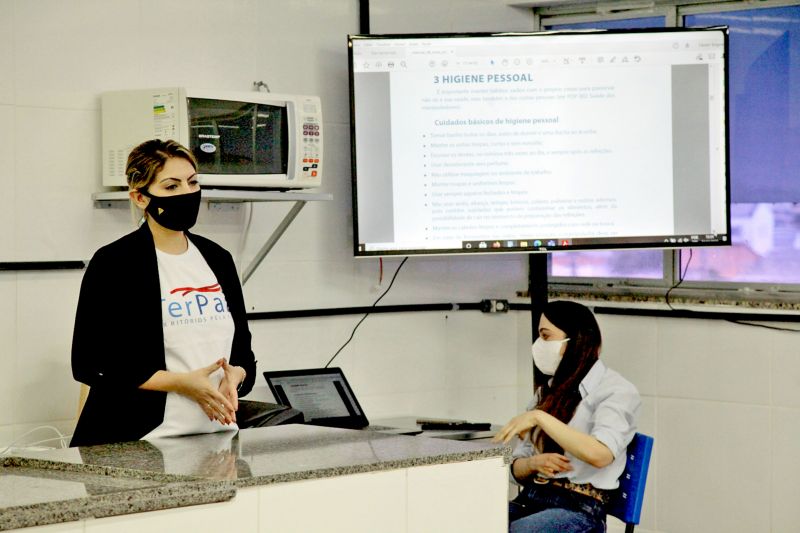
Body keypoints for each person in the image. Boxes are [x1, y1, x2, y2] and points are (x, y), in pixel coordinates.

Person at [70, 139, 257, 447]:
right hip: (136, 440)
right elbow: (89, 363)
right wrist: (181, 384)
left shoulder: (218, 259)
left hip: (216, 440)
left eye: (192, 182)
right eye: (171, 187)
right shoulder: (114, 263)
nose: (186, 193)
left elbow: (243, 356)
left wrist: (235, 376)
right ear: (140, 198)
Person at [493, 300, 640, 533]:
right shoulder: (548, 391)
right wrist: (532, 464)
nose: (539, 345)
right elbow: (515, 468)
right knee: (468, 520)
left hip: (579, 510)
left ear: (575, 340)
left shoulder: (616, 390)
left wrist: (540, 418)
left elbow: (600, 454)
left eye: (546, 336)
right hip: (532, 497)